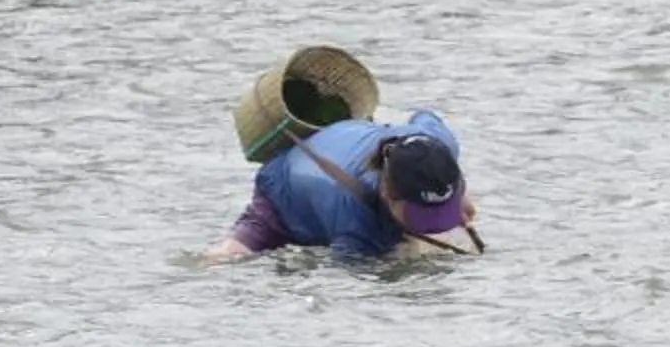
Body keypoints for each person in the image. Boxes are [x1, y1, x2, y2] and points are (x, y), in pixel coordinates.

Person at [204, 110, 482, 262]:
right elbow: (353, 277)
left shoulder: (437, 143)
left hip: (339, 141)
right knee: (229, 258)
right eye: (419, 213)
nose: (432, 222)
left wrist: (459, 195)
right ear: (387, 194)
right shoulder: (354, 223)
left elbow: (425, 115)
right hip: (285, 191)